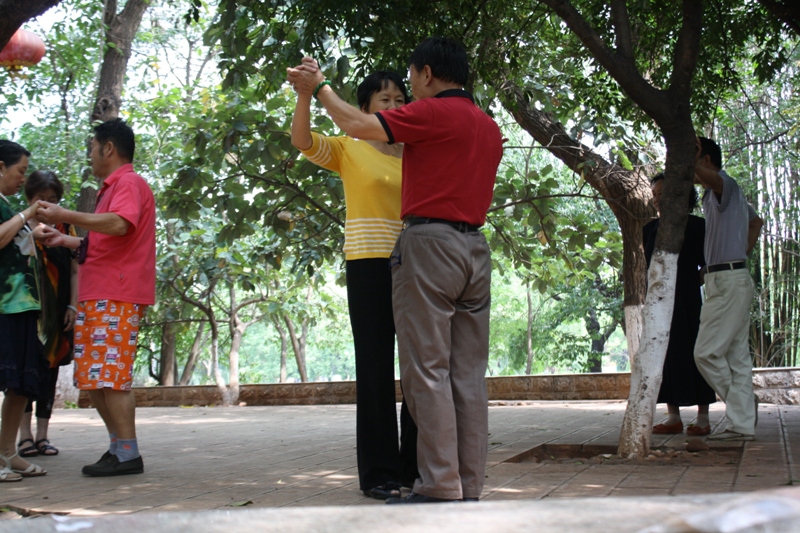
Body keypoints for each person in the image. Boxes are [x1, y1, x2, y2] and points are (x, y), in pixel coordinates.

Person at [288, 37, 504, 504]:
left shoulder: (427, 117)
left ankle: (437, 481)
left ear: (427, 74)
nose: (403, 94)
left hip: (428, 249)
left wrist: (320, 85)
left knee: (424, 371)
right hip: (473, 250)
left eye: (406, 85)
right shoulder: (488, 127)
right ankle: (464, 482)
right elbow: (323, 137)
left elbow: (353, 120)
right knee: (463, 373)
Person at [289, 70, 419, 500]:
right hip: (367, 265)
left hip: (417, 267)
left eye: (401, 99)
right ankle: (380, 473)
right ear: (364, 109)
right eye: (385, 100)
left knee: (421, 369)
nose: (396, 106)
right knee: (376, 370)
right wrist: (307, 95)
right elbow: (303, 141)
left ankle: (415, 468)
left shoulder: (417, 152)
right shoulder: (349, 147)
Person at [37, 119, 156, 475]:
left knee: (112, 378)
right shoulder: (111, 188)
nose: (89, 155)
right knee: (96, 379)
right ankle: (117, 449)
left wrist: (65, 215)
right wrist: (66, 240)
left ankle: (128, 454)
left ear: (108, 148)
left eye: (92, 147)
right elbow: (107, 241)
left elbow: (120, 224)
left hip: (115, 293)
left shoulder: (129, 182)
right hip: (99, 292)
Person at [693, 136, 763, 441]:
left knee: (705, 353)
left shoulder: (726, 185)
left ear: (706, 160)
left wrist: (732, 260)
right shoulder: (715, 196)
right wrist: (739, 253)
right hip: (729, 278)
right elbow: (756, 222)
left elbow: (755, 222)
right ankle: (743, 423)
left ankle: (742, 407)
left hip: (728, 282)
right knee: (737, 358)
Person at [643, 173, 715, 436]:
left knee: (696, 353)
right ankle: (673, 416)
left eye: (662, 193)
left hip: (689, 300)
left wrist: (690, 284)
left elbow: (707, 264)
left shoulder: (698, 226)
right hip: (659, 303)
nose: (658, 199)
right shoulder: (649, 230)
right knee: (666, 356)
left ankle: (703, 418)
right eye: (654, 195)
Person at [16, 171, 78, 458]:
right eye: (41, 200)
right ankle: (24, 436)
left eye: (53, 200)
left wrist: (72, 306)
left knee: (49, 373)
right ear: (30, 200)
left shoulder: (66, 226)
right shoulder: (17, 227)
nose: (48, 206)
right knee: (24, 372)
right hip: (27, 311)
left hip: (59, 312)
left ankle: (43, 436)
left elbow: (76, 269)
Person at [0, 140, 47, 481]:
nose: (22, 180)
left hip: (24, 305)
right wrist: (28, 214)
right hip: (3, 305)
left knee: (19, 385)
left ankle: (7, 453)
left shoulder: (7, 206)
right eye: (19, 172)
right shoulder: (13, 210)